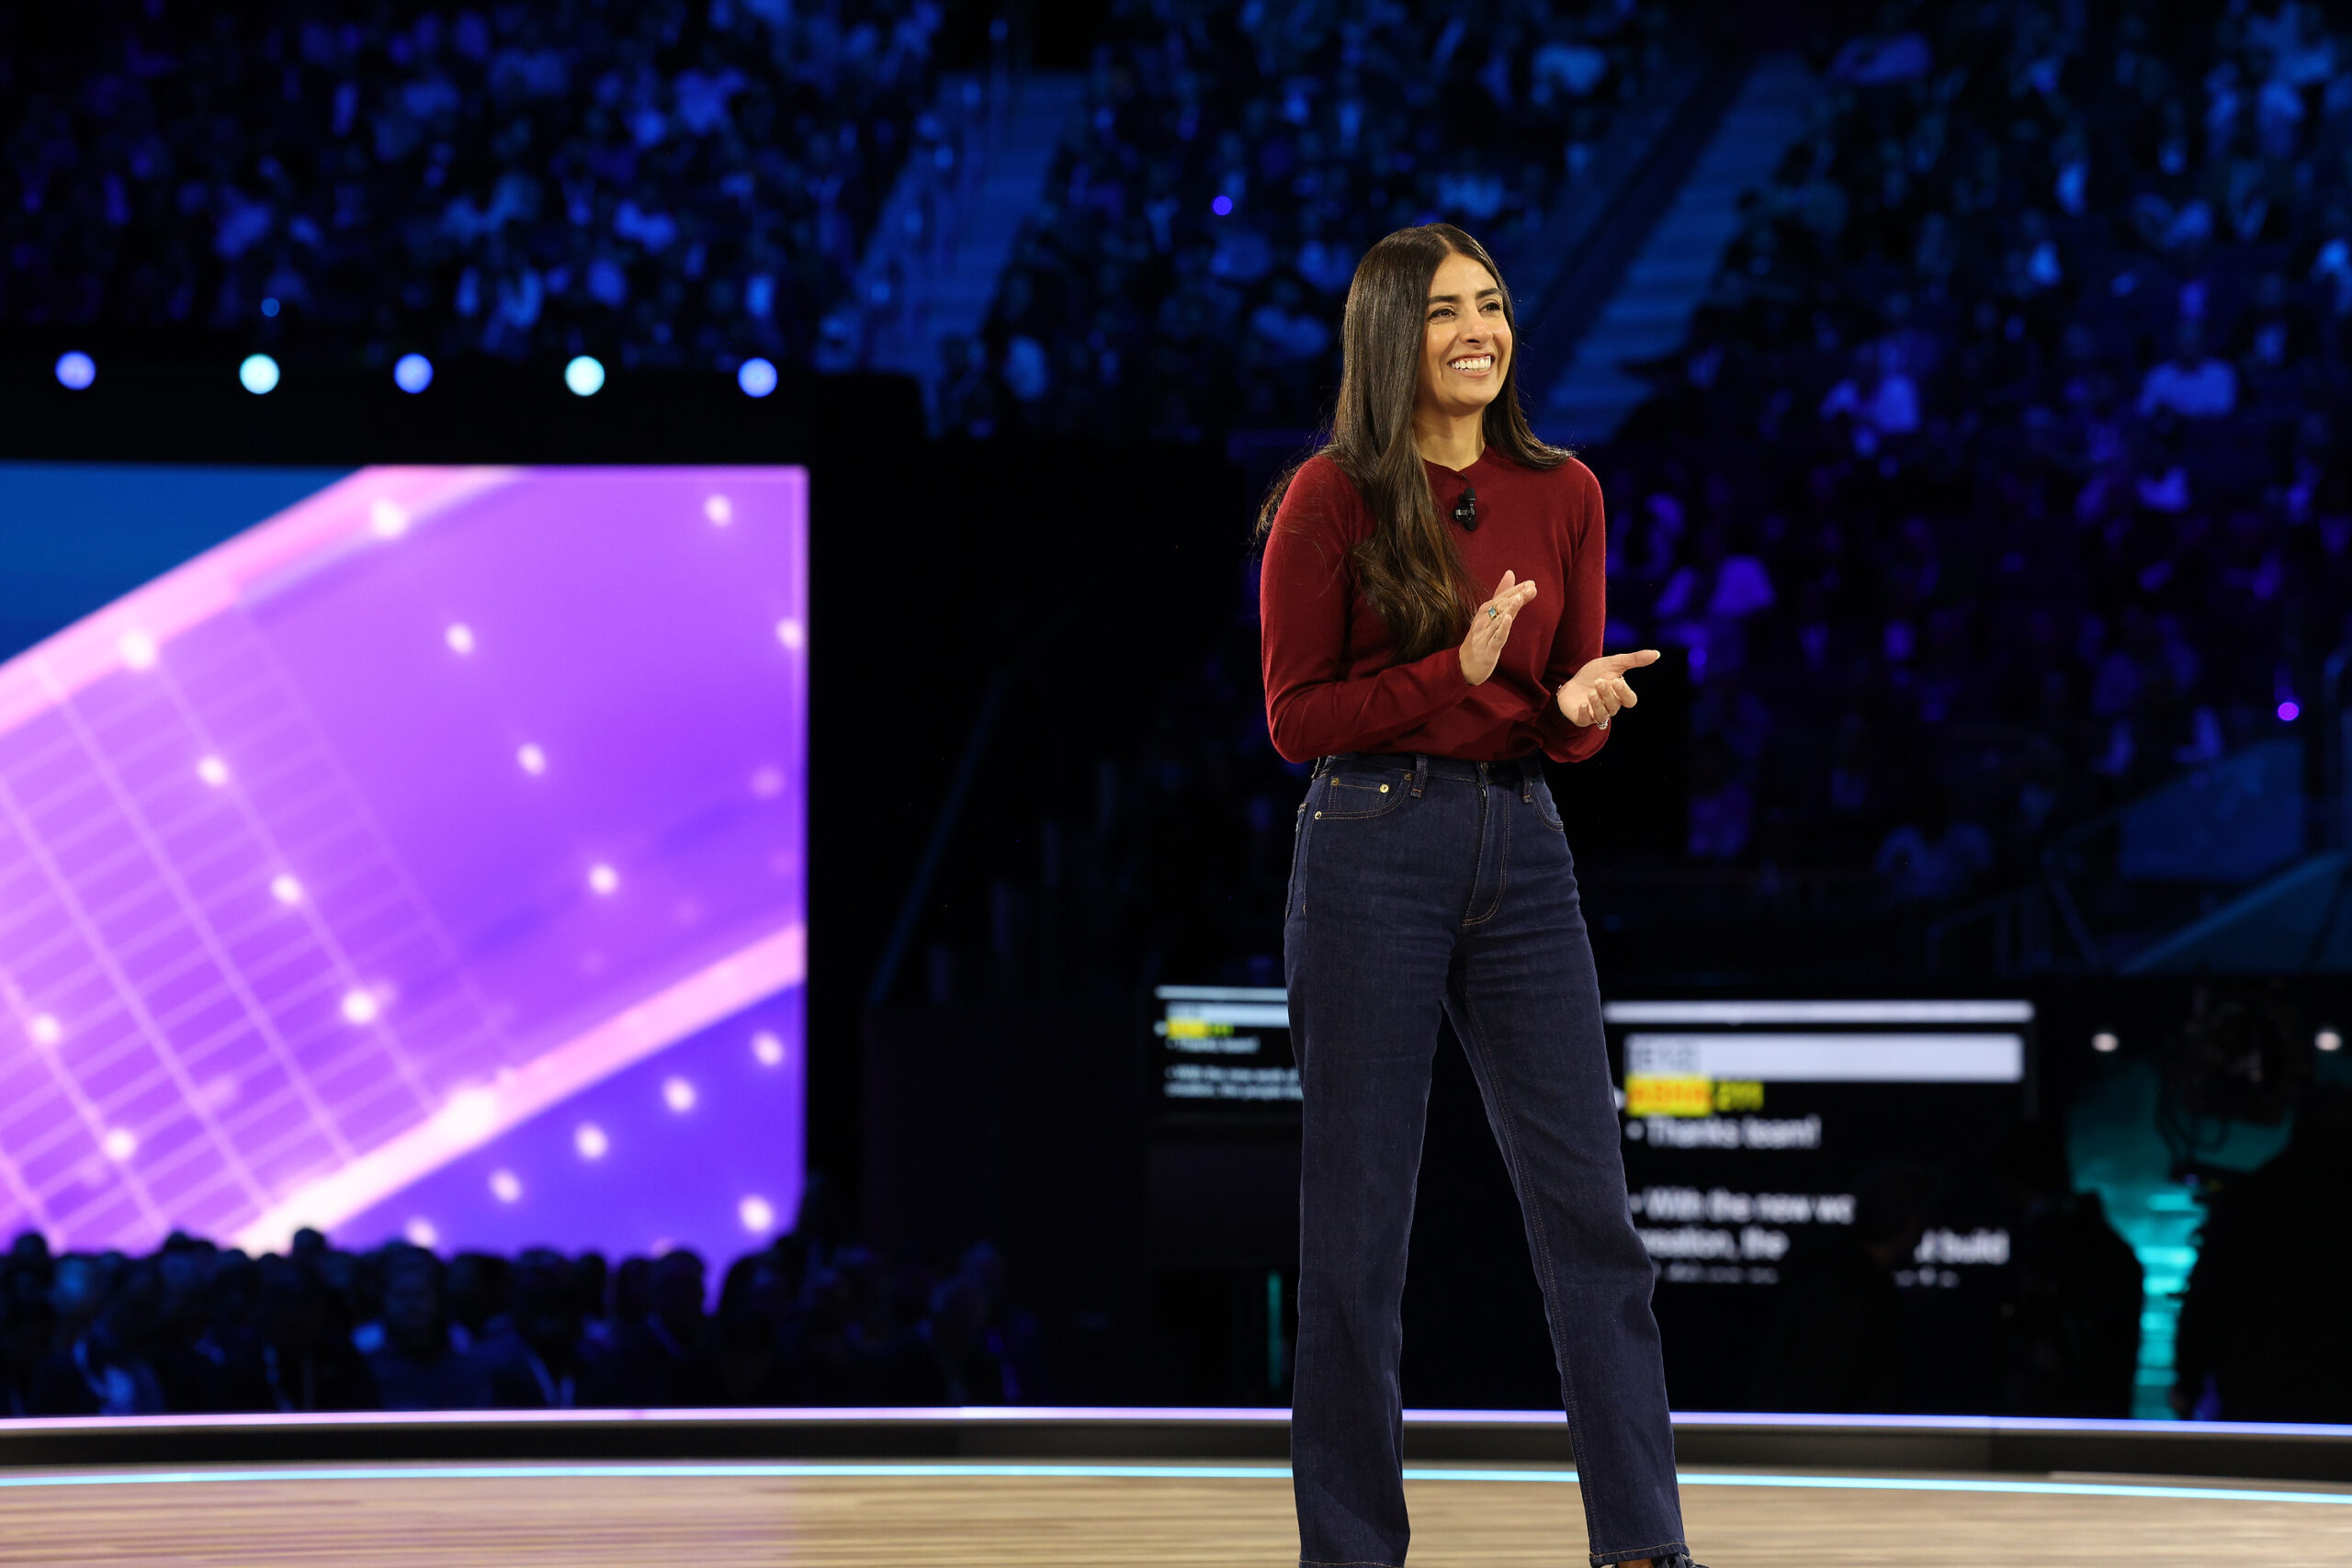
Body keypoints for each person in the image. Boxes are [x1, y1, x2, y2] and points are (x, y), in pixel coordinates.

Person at [1255, 222, 1694, 1568]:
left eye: (1492, 305)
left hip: (1523, 844)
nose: (1478, 332)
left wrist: (1573, 706)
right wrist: (1459, 668)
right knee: (1356, 1240)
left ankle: (1642, 1546)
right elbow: (1294, 717)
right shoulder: (1333, 497)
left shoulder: (1565, 491)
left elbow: (1564, 706)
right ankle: (1352, 1551)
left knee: (1592, 1222)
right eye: (1446, 311)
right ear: (1394, 334)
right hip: (1371, 840)